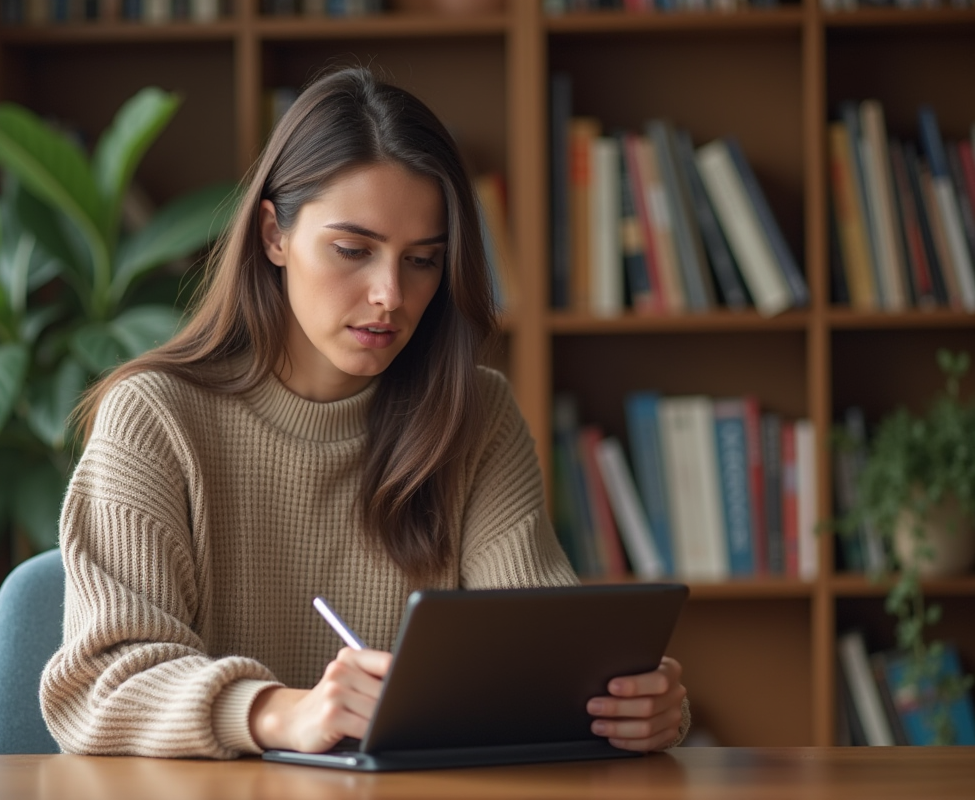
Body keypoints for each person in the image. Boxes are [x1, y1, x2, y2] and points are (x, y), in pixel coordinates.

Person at [40, 66, 690, 759]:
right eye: (353, 250)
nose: (390, 295)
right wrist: (275, 711)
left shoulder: (476, 415)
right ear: (273, 235)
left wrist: (630, 701)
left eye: (422, 261)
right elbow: (98, 685)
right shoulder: (155, 418)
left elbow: (542, 654)